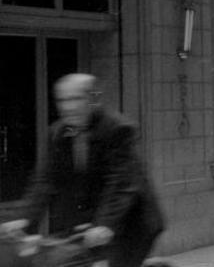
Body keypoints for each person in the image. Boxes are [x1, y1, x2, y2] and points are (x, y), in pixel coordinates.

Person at [0, 73, 164, 267]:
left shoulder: (118, 129)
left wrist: (105, 224)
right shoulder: (58, 133)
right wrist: (24, 218)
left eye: (75, 98)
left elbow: (121, 183)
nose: (68, 107)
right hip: (89, 222)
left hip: (131, 222)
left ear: (92, 99)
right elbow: (44, 180)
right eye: (62, 100)